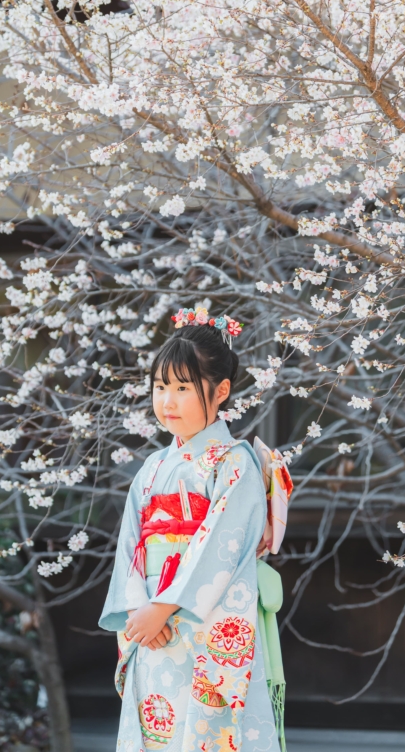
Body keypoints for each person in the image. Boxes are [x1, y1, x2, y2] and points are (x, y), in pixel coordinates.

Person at [100, 308, 286, 752]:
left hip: (205, 629)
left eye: (183, 388)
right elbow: (130, 547)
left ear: (220, 391)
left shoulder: (234, 462)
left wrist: (163, 609)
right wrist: (138, 611)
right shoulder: (152, 467)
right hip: (152, 630)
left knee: (210, 736)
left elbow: (219, 548)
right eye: (160, 387)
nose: (167, 401)